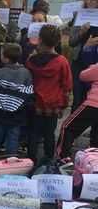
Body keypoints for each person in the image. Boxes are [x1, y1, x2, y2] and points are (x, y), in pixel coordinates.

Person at [26, 25, 72, 164]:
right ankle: (48, 160)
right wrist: (63, 106)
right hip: (53, 104)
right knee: (49, 134)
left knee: (32, 134)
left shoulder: (30, 60)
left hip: (34, 102)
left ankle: (31, 160)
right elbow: (67, 86)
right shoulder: (62, 61)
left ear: (40, 40)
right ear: (58, 42)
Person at [0, 43, 33, 161]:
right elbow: (29, 92)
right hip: (17, 113)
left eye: (1, 54)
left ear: (6, 58)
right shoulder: (26, 73)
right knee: (13, 138)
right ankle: (9, 164)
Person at [56, 61, 98, 162]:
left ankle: (63, 157)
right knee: (96, 133)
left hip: (93, 104)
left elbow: (83, 76)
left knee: (67, 127)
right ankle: (94, 160)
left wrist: (91, 67)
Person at [69, 0, 98, 112]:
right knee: (78, 97)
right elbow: (71, 42)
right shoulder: (79, 16)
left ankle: (93, 130)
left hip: (95, 63)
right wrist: (81, 33)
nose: (89, 2)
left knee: (93, 99)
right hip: (79, 62)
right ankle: (72, 129)